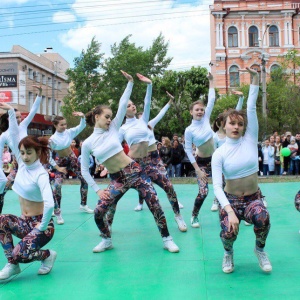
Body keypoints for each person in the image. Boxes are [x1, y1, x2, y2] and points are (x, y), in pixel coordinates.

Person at [81, 71, 179, 252]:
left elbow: (122, 103)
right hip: (117, 179)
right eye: (106, 117)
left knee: (154, 204)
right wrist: (97, 189)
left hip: (135, 171)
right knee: (98, 213)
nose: (110, 119)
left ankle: (167, 239)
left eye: (111, 117)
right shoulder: (87, 143)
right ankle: (106, 240)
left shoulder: (113, 129)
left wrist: (131, 83)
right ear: (96, 117)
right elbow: (84, 170)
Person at [211, 68, 271, 274]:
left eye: (240, 124)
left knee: (263, 218)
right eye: (232, 123)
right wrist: (229, 211)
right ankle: (228, 254)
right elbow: (217, 187)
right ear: (224, 126)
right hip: (231, 200)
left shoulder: (250, 140)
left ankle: (260, 250)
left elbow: (251, 108)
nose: (236, 126)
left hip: (253, 198)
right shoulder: (219, 154)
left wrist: (255, 79)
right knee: (228, 233)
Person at [0, 102, 56, 280]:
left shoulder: (40, 174)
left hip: (42, 227)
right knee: (1, 220)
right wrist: (9, 110)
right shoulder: (22, 164)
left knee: (20, 253)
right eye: (22, 153)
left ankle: (47, 255)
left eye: (28, 153)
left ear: (38, 152)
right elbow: (15, 132)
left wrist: (42, 225)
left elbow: (50, 204)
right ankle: (12, 265)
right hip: (25, 223)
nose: (24, 156)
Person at [132, 92, 185, 216]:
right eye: (139, 117)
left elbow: (161, 114)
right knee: (142, 183)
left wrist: (170, 102)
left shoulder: (150, 124)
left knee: (166, 182)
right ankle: (140, 203)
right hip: (141, 158)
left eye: (142, 117)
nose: (141, 119)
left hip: (154, 158)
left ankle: (176, 202)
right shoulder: (132, 129)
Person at [0, 85, 43, 214]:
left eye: (20, 117)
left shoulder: (23, 126)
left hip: (32, 163)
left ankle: (47, 210)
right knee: (8, 189)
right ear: (9, 118)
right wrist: (10, 110)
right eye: (16, 117)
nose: (20, 119)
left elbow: (33, 111)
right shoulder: (6, 135)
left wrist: (39, 95)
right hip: (20, 167)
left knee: (38, 187)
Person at [49, 112, 92, 225]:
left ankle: (83, 205)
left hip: (72, 158)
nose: (64, 126)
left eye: (65, 124)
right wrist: (57, 167)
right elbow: (48, 157)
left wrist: (82, 117)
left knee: (84, 179)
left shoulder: (69, 133)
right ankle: (57, 211)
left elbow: (81, 126)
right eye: (61, 125)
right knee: (57, 186)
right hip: (60, 161)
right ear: (55, 125)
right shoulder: (52, 140)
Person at [184, 72, 215, 228]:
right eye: (197, 109)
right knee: (203, 192)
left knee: (228, 186)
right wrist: (197, 170)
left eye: (201, 109)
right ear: (191, 112)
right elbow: (188, 151)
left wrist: (211, 81)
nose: (200, 111)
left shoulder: (206, 119)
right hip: (201, 163)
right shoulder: (189, 130)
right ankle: (194, 215)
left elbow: (212, 99)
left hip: (216, 160)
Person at [210, 91, 244, 211]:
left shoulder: (234, 132)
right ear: (221, 124)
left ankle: (253, 200)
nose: (235, 125)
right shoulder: (215, 136)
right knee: (221, 183)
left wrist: (241, 98)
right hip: (223, 162)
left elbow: (237, 112)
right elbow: (214, 151)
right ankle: (216, 201)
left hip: (236, 159)